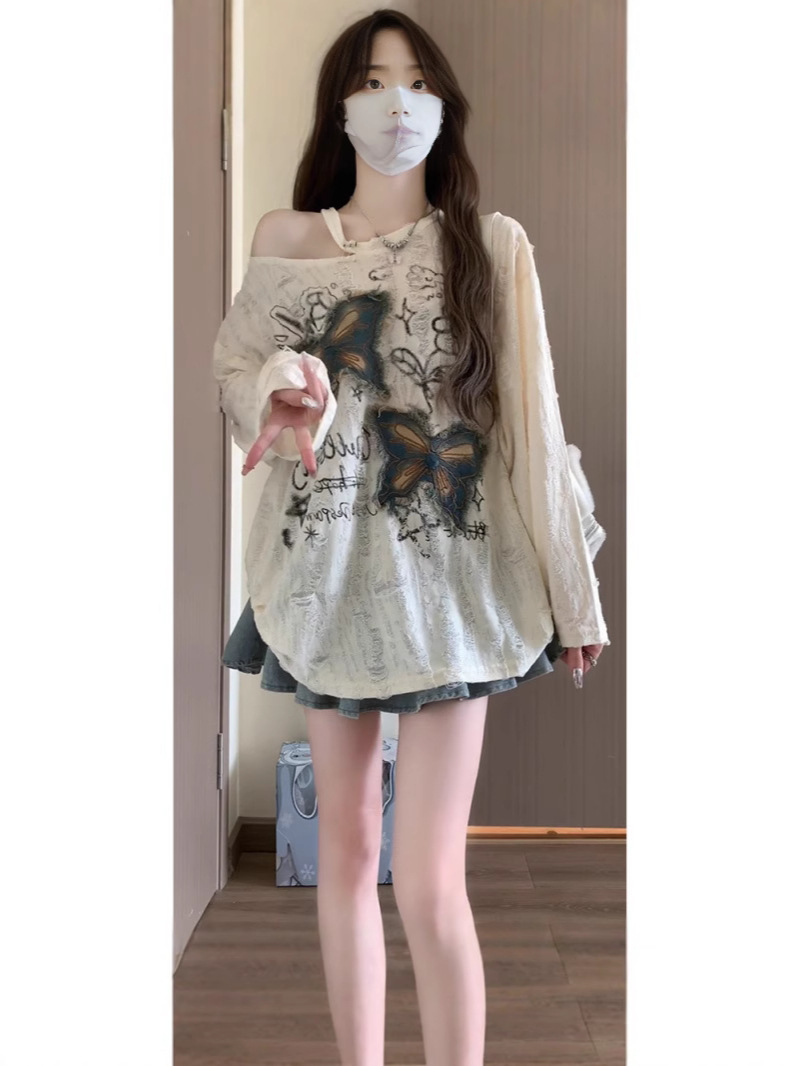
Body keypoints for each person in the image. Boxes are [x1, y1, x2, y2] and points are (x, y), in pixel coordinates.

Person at [212, 9, 610, 1066]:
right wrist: (281, 386)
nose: (398, 102)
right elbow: (239, 367)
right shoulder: (284, 239)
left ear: (445, 106)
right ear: (338, 105)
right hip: (327, 567)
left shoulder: (490, 246)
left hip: (454, 583)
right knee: (347, 854)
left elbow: (534, 428)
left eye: (419, 81)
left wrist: (574, 595)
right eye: (374, 79)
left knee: (431, 879)